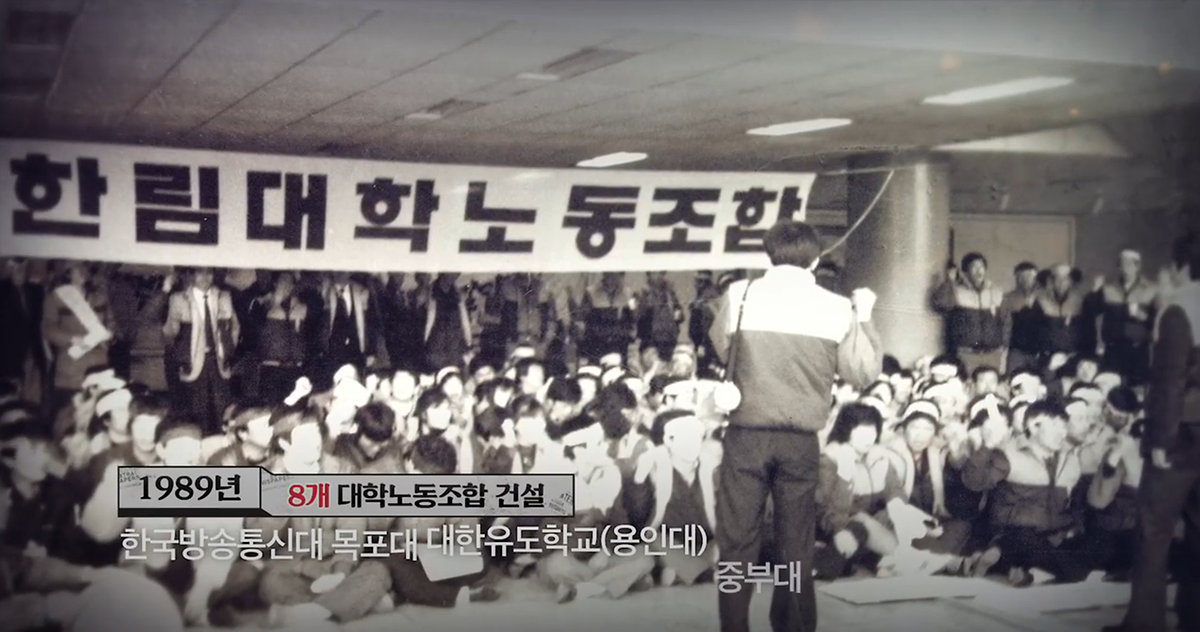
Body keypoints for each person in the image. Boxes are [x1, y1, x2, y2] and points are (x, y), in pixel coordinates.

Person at [709, 221, 882, 632]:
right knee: (796, 543)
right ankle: (793, 625)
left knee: (737, 541)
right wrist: (865, 316)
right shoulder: (836, 307)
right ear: (816, 260)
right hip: (800, 441)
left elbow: (722, 347)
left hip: (746, 437)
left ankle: (734, 626)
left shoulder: (739, 294)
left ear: (769, 255)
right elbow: (862, 372)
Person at [1107, 232, 1200, 632]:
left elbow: (1169, 381)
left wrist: (1159, 441)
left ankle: (1144, 623)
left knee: (1154, 530)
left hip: (1181, 435)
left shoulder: (1178, 309)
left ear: (1181, 266)